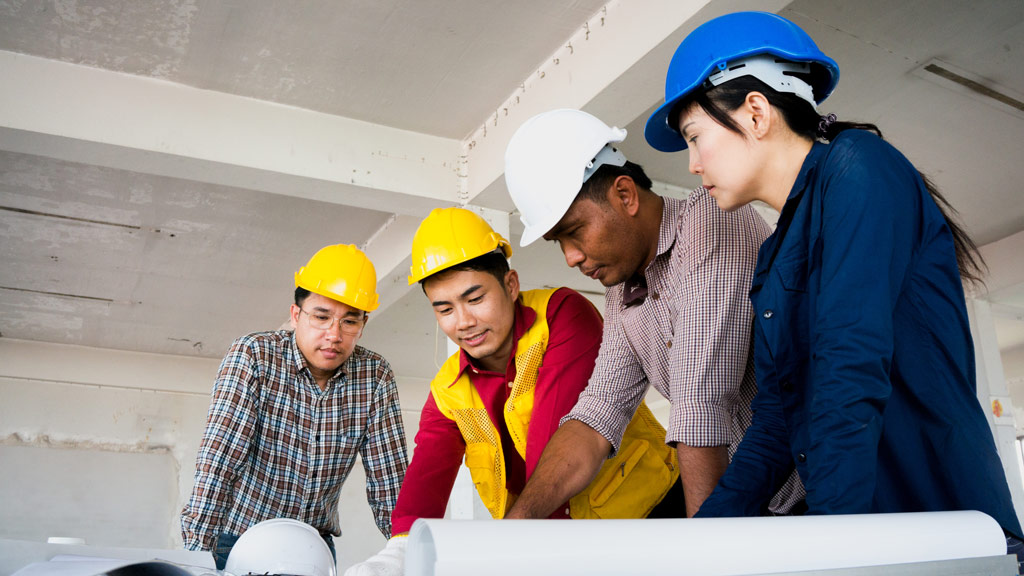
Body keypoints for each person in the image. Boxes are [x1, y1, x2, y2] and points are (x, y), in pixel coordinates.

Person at [643, 9, 1023, 544]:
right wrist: (696, 541)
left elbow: (852, 363)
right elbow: (776, 424)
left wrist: (836, 542)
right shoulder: (775, 255)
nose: (693, 165)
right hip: (870, 534)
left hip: (945, 528)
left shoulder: (860, 168)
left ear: (755, 113)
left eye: (694, 136)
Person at [502, 109, 804, 520]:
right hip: (759, 505)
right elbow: (597, 413)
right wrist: (518, 522)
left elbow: (702, 402)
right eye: (559, 242)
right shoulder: (622, 292)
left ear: (624, 195)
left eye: (574, 232)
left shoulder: (711, 224)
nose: (570, 258)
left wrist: (705, 555)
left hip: (822, 487)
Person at [345, 208, 680, 576]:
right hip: (550, 542)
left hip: (654, 515)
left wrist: (512, 545)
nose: (463, 322)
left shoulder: (562, 315)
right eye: (444, 309)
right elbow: (429, 471)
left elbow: (554, 439)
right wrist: (400, 549)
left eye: (475, 299)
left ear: (510, 285)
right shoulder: (447, 388)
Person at [180, 244, 409, 568]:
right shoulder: (254, 356)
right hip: (238, 541)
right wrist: (195, 560)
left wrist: (410, 557)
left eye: (349, 322)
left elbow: (391, 483)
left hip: (314, 548)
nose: (334, 334)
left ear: (363, 324)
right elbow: (219, 463)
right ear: (295, 314)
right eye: (321, 317)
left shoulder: (375, 376)